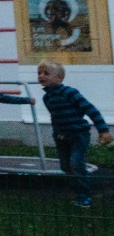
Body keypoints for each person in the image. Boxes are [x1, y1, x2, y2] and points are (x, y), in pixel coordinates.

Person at [37, 61, 110, 208]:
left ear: (59, 78)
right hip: (61, 136)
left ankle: (85, 195)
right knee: (65, 166)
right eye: (39, 73)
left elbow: (90, 110)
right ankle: (77, 189)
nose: (41, 76)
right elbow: (56, 117)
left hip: (78, 134)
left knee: (76, 163)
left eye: (46, 73)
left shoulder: (70, 92)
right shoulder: (47, 97)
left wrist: (103, 130)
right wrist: (57, 133)